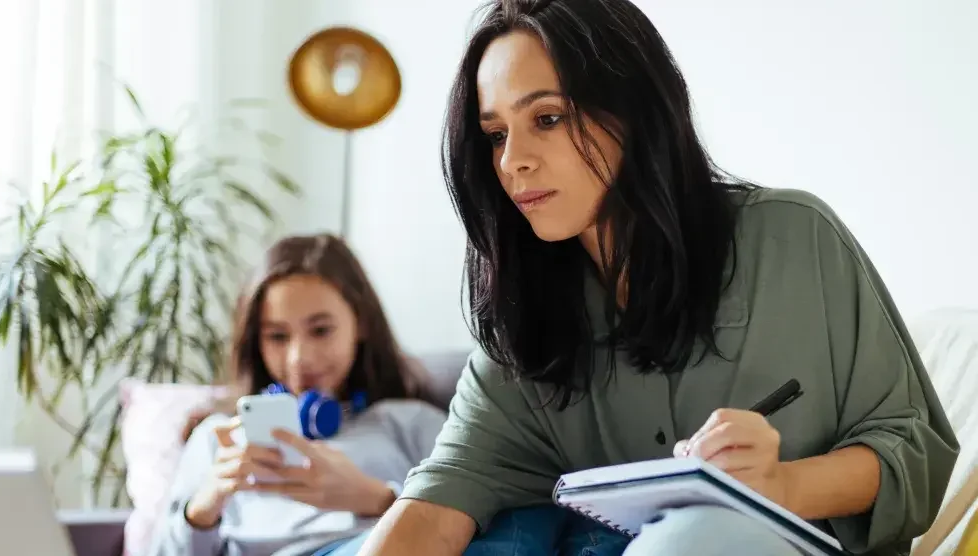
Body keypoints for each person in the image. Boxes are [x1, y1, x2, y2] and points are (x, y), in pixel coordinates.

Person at [352, 1, 960, 555]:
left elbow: (916, 455)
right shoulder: (523, 323)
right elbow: (437, 502)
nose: (513, 161)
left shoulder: (793, 237)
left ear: (634, 111)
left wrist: (781, 485)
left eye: (548, 117)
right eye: (495, 135)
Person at [146, 234, 448, 556]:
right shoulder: (218, 438)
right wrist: (203, 511)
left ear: (361, 324)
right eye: (277, 336)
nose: (298, 358)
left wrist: (378, 499)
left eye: (320, 330)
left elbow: (470, 524)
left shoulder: (410, 422)